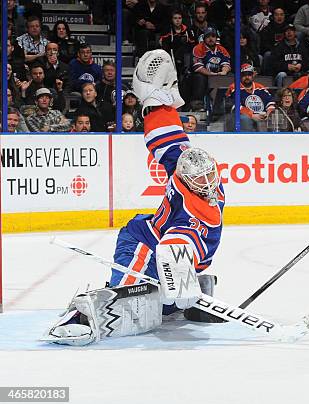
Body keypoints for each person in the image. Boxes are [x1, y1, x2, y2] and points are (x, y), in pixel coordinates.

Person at [44, 49, 225, 346]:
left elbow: (183, 240)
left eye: (209, 178)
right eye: (199, 179)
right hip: (149, 234)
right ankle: (180, 295)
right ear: (184, 176)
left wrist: (180, 273)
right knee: (137, 257)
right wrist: (156, 106)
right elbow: (171, 142)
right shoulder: (184, 171)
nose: (206, 184)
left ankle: (112, 305)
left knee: (142, 286)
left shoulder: (200, 212)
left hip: (166, 248)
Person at [226, 64, 276, 131]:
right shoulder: (234, 87)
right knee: (245, 119)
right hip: (245, 117)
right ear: (240, 75)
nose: (247, 77)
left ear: (253, 75)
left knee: (274, 117)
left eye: (249, 74)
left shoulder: (260, 88)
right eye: (244, 75)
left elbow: (270, 102)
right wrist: (251, 115)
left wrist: (268, 113)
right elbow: (234, 106)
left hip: (262, 117)